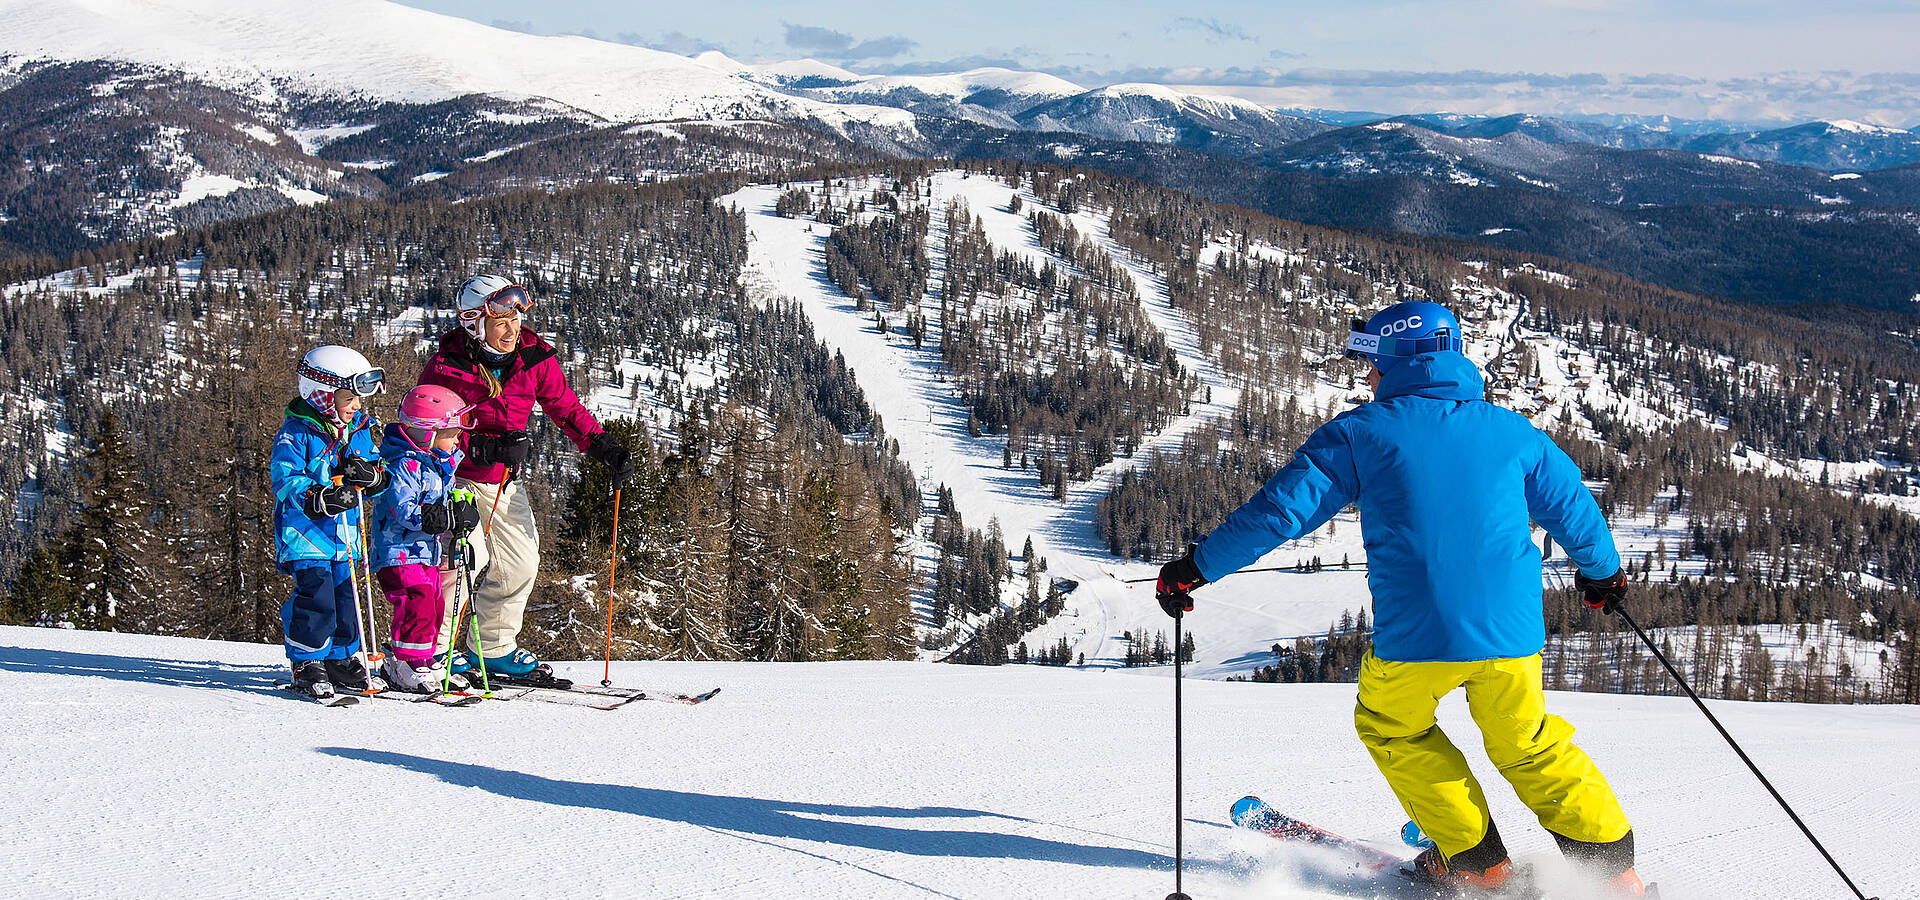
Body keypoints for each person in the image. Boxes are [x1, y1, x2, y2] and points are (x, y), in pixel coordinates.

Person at [1155, 301, 1646, 896]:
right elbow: (1574, 509)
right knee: (1527, 739)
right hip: (1511, 637)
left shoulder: (1359, 434)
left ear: (1393, 360)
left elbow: (1279, 514)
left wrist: (1196, 568)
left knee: (1393, 725)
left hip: (1418, 638)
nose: (1365, 377)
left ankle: (1479, 864)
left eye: (1368, 363)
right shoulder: (1512, 432)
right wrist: (1604, 575)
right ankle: (1614, 873)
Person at [417, 275, 634, 684]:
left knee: (520, 562)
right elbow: (423, 425)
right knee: (464, 558)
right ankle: (435, 650)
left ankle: (493, 647)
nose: (512, 327)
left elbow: (565, 408)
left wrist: (604, 447)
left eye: (517, 316)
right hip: (451, 477)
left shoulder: (532, 358)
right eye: (500, 320)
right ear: (473, 323)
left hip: (501, 481)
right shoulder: (447, 365)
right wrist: (480, 447)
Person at [270, 345, 390, 699]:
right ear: (321, 394)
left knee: (346, 598)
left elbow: (377, 471)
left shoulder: (358, 428)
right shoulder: (297, 432)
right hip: (306, 534)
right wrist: (317, 496)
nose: (357, 406)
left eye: (359, 400)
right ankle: (308, 660)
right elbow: (284, 478)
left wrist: (370, 476)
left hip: (346, 535)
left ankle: (340, 657)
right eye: (349, 398)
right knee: (317, 597)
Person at [370, 384, 481, 693]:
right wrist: (438, 517)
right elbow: (402, 508)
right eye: (452, 433)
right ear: (429, 433)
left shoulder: (436, 465)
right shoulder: (403, 465)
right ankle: (407, 661)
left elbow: (440, 503)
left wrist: (458, 511)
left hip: (424, 551)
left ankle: (421, 655)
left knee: (433, 602)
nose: (457, 439)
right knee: (416, 600)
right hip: (398, 551)